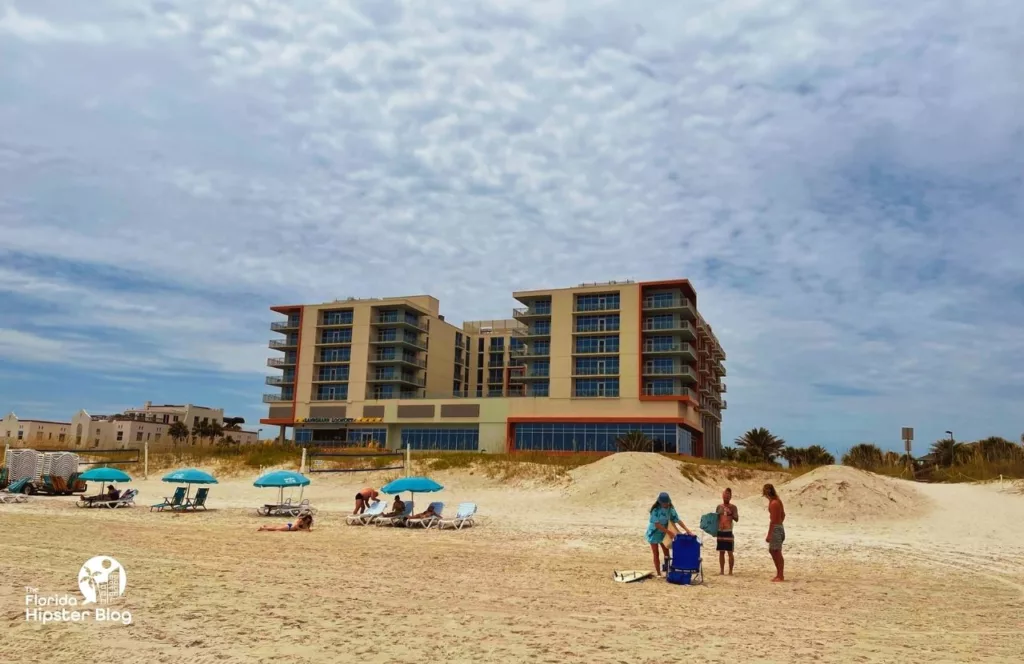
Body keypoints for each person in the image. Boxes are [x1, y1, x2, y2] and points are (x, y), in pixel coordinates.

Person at [645, 492, 693, 576]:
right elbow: (657, 524)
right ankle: (659, 573)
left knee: (666, 552)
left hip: (664, 532)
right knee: (656, 553)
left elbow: (677, 520)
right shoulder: (655, 510)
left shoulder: (670, 509)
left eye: (667, 502)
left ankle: (667, 572)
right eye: (664, 503)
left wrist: (687, 530)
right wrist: (669, 532)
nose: (666, 504)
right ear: (660, 502)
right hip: (654, 532)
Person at [763, 483, 786, 582]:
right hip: (780, 527)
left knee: (776, 552)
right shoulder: (777, 501)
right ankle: (779, 574)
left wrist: (769, 534)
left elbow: (773, 521)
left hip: (776, 528)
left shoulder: (773, 503)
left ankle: (780, 575)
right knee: (774, 551)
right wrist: (780, 524)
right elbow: (783, 515)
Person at [716, 487, 739, 575]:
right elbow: (716, 519)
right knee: (721, 552)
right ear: (722, 496)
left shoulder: (733, 507)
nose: (726, 497)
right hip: (720, 531)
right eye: (725, 495)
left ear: (730, 497)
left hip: (728, 531)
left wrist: (731, 514)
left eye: (728, 495)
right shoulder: (719, 507)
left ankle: (730, 571)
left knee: (730, 552)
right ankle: (721, 571)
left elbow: (737, 519)